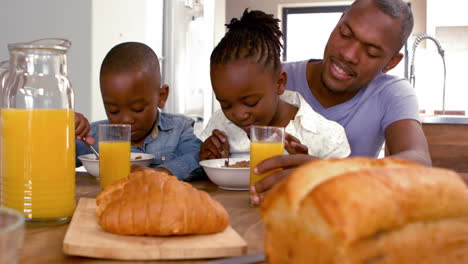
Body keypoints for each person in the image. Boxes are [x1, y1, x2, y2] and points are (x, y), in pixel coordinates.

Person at [251, 0, 432, 204]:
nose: (348, 54)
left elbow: (419, 163)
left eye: (370, 52)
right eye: (345, 34)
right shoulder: (278, 79)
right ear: (337, 23)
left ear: (391, 62)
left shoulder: (392, 92)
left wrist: (332, 174)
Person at [199, 10, 350, 164]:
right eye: (226, 105)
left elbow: (342, 186)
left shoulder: (329, 137)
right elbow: (200, 178)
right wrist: (207, 158)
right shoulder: (220, 124)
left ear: (279, 83)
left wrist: (310, 171)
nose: (238, 114)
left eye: (251, 102)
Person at [76, 42, 202, 181]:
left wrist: (162, 173)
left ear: (161, 97)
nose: (125, 120)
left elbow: (197, 157)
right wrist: (65, 131)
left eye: (138, 109)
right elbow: (55, 158)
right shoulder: (94, 137)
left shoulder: (178, 129)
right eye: (113, 111)